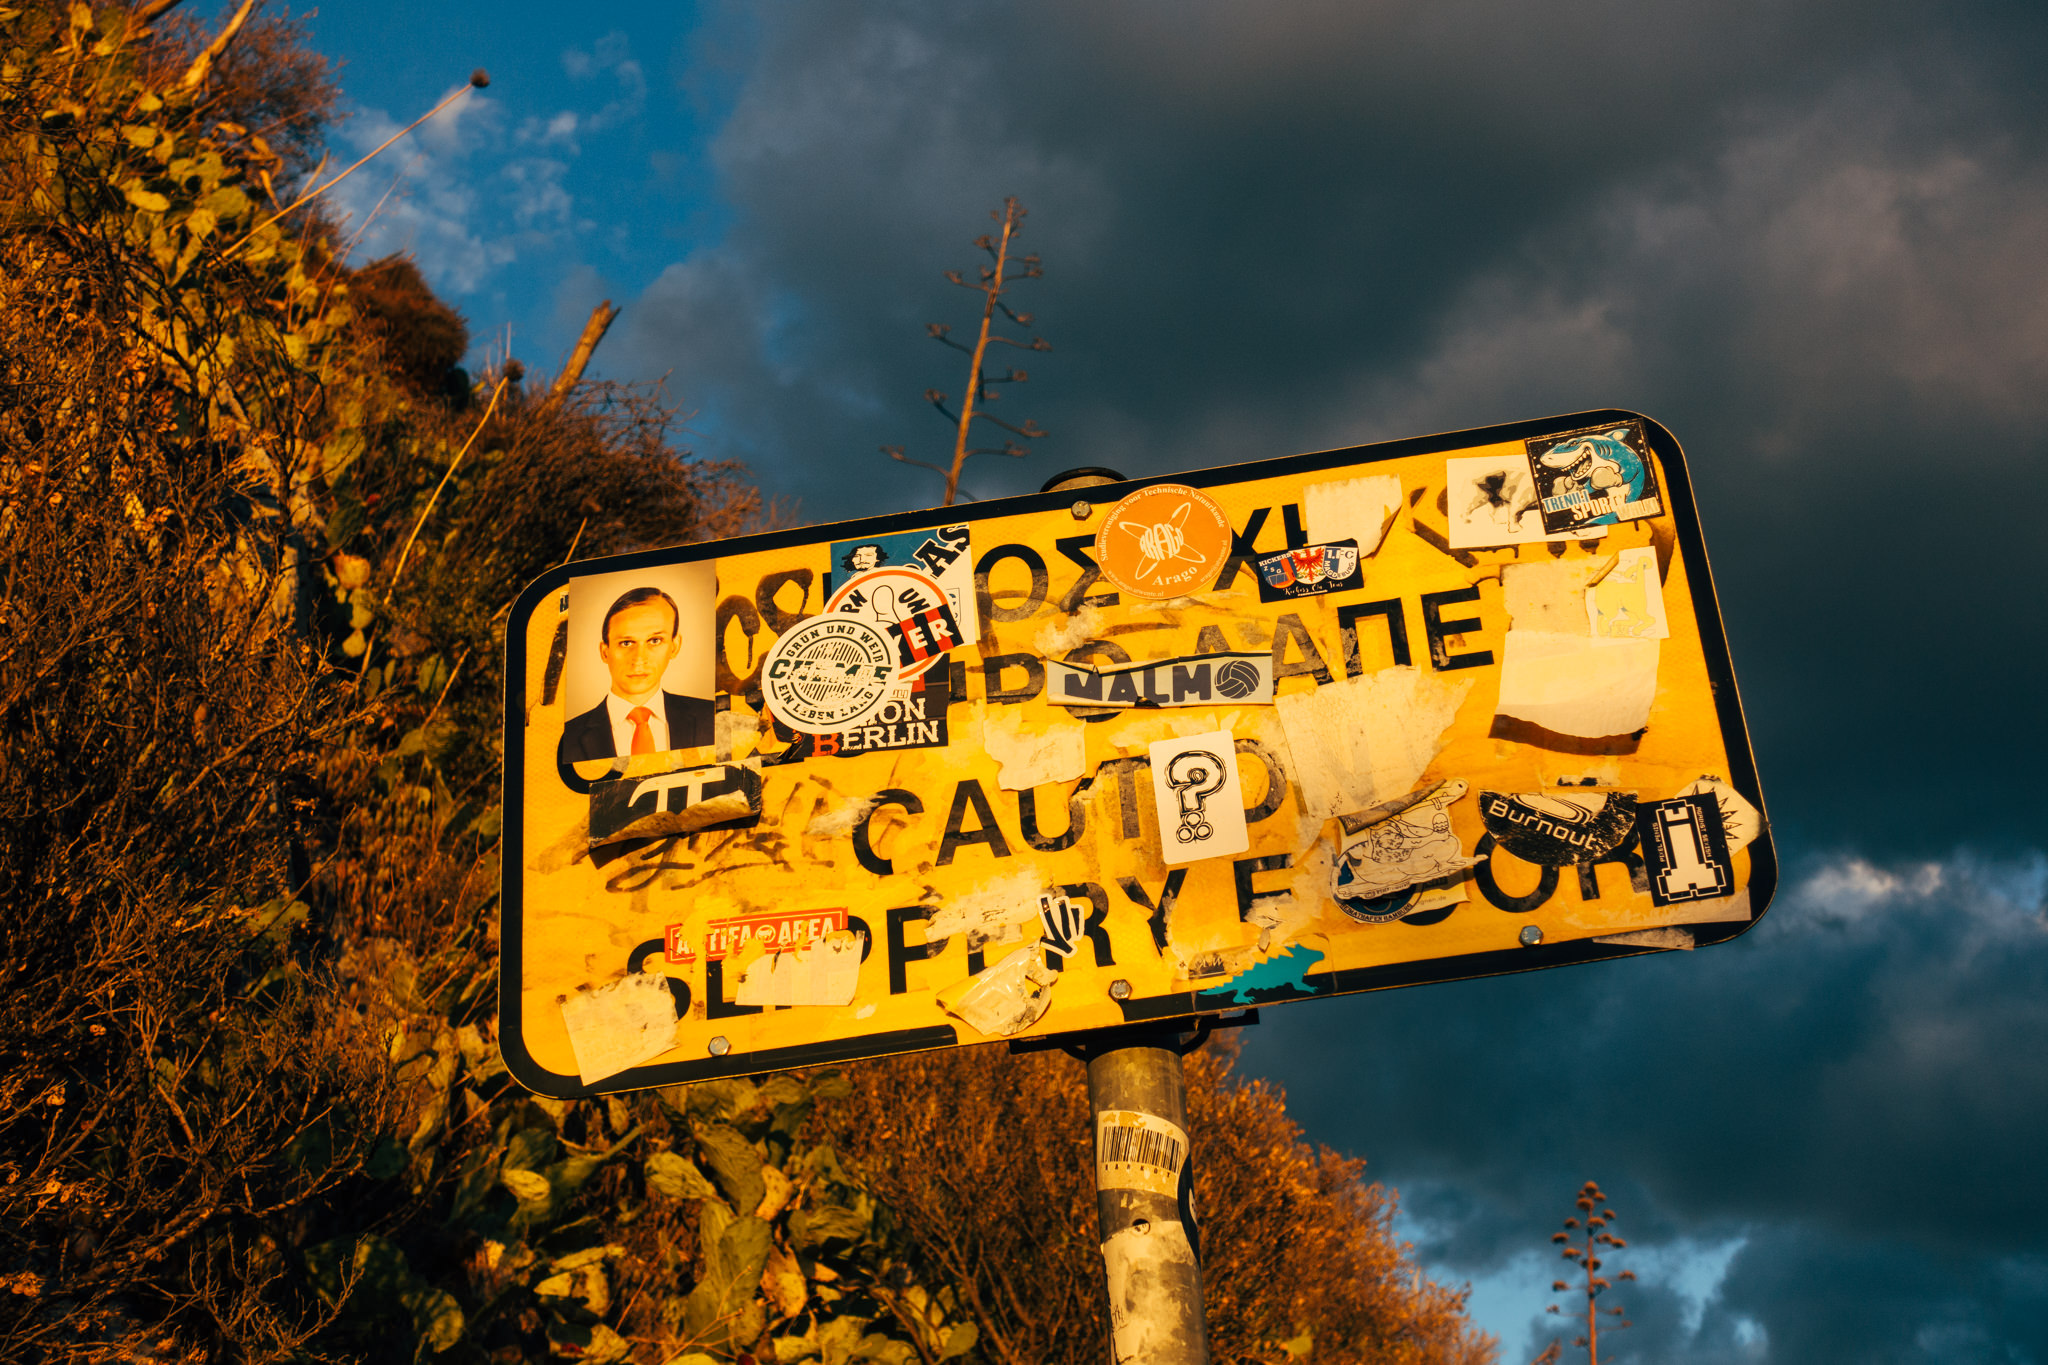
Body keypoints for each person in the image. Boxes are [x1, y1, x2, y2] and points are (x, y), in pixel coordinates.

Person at [559, 585, 714, 764]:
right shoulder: (568, 738)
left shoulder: (711, 718)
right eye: (626, 643)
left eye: (655, 641)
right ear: (604, 652)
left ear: (675, 646)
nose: (639, 659)